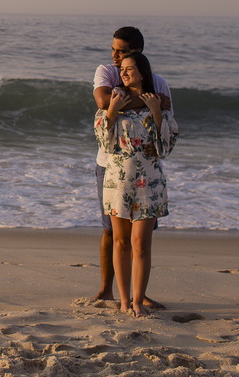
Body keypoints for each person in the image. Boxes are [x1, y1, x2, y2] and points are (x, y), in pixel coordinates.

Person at [90, 26, 173, 308]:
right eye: (114, 50)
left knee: (141, 241)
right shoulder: (108, 76)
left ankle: (138, 296)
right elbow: (102, 106)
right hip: (114, 172)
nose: (115, 57)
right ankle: (110, 291)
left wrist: (157, 109)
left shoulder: (160, 84)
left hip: (148, 178)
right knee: (113, 234)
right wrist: (146, 102)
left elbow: (170, 136)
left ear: (138, 54)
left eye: (122, 53)